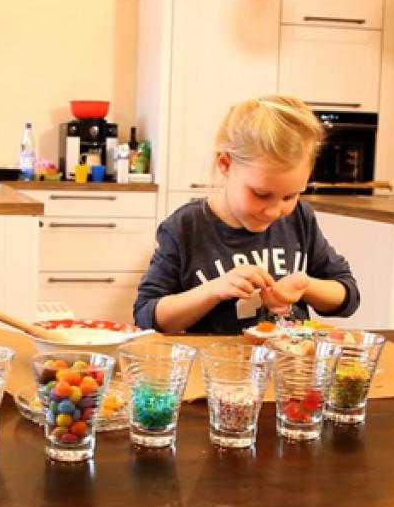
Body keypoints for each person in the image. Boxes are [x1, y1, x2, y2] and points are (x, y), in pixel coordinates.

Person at [134, 96, 360, 334]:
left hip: (288, 367)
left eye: (290, 196)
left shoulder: (300, 218)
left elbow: (348, 296)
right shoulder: (186, 227)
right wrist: (214, 290)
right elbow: (147, 317)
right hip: (214, 368)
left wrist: (306, 286)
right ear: (225, 164)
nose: (275, 211)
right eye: (261, 194)